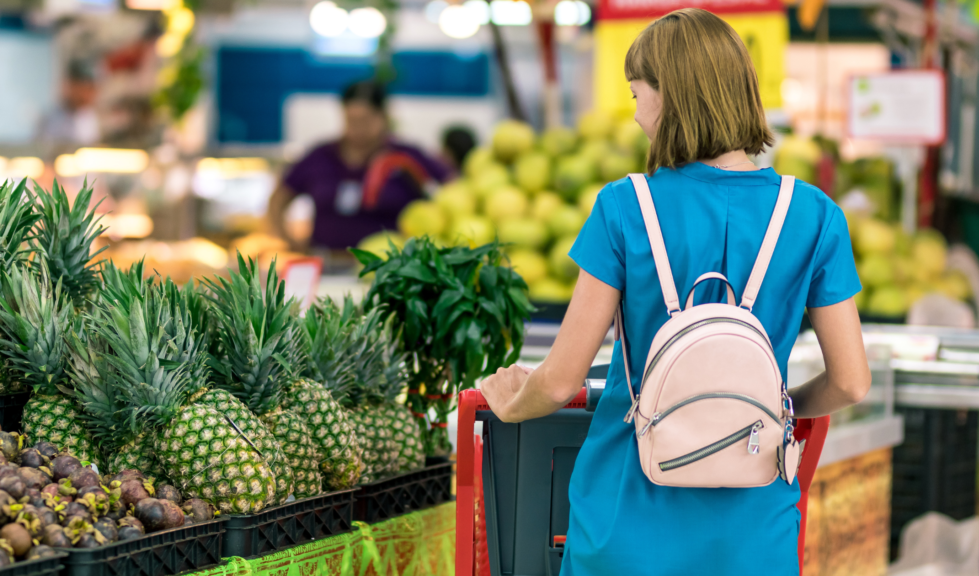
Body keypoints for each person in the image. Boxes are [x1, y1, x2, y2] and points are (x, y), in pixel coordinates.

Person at [479, 9, 871, 575]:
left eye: (637, 93)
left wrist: (513, 401)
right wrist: (773, 410)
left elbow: (563, 377)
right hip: (753, 528)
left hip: (626, 520)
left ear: (672, 97)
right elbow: (851, 381)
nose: (636, 114)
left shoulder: (624, 208)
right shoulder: (813, 215)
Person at [267, 80, 451, 252]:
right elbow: (278, 200)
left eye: (365, 121)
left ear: (383, 117)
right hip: (327, 264)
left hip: (391, 270)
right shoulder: (320, 156)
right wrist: (291, 243)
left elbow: (451, 188)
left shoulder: (406, 157)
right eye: (351, 121)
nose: (357, 129)